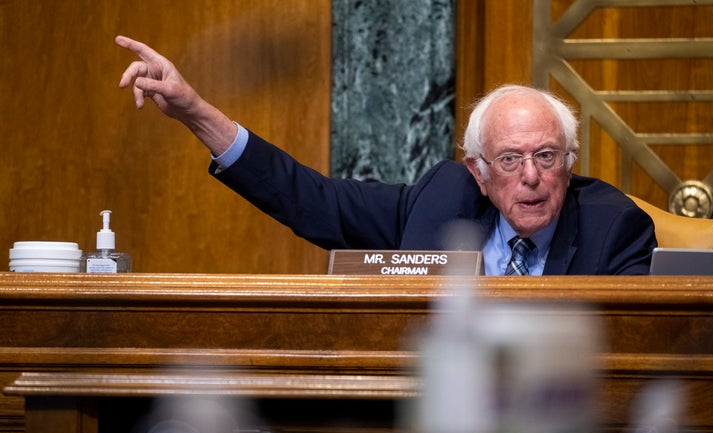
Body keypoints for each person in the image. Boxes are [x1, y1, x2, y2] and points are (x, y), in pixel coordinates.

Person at [116, 35, 657, 275]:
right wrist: (196, 113)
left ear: (570, 162)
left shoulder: (616, 229)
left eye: (546, 155)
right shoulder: (442, 199)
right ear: (479, 172)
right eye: (510, 161)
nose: (532, 177)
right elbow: (314, 200)